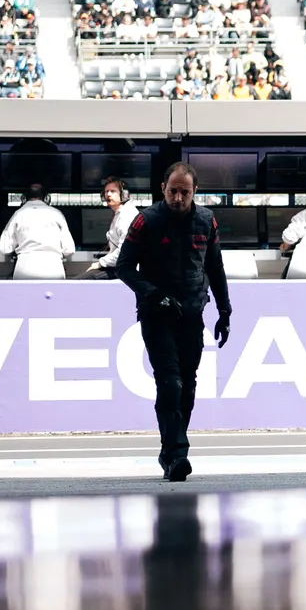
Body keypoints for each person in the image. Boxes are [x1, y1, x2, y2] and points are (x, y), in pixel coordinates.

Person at [115, 159, 233, 481]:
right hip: (157, 316)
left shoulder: (207, 221)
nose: (178, 198)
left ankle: (171, 454)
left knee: (188, 387)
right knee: (170, 383)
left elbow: (216, 268)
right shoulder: (145, 221)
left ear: (195, 192)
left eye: (184, 192)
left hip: (193, 314)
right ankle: (177, 454)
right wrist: (153, 294)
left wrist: (224, 310)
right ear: (162, 189)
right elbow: (123, 267)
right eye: (172, 191)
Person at [0, 178, 75, 279]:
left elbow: (4, 249)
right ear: (47, 198)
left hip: (24, 268)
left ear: (24, 198)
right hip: (53, 267)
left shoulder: (18, 215)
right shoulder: (56, 214)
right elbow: (69, 250)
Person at [93, 175, 140, 276]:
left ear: (125, 195)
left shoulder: (127, 215)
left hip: (125, 271)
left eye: (113, 191)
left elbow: (124, 252)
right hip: (119, 267)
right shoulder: (119, 213)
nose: (108, 194)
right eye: (106, 191)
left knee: (85, 279)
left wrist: (100, 263)